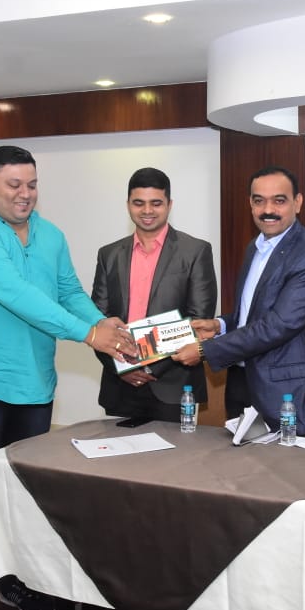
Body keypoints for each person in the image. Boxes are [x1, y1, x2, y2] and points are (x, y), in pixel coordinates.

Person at [0, 145, 136, 610]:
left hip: (35, 384)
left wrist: (102, 323)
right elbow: (19, 296)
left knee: (22, 490)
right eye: (13, 185)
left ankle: (14, 579)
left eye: (31, 184)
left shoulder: (49, 234)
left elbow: (67, 291)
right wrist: (89, 335)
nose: (24, 194)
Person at [175, 166, 305, 434]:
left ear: (297, 202)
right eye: (259, 201)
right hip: (243, 385)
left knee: (289, 464)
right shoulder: (256, 247)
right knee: (238, 462)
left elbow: (277, 325)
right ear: (250, 203)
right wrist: (220, 325)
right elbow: (252, 314)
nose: (267, 210)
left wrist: (205, 350)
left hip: (288, 395)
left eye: (279, 200)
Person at [91, 167, 217, 421]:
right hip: (120, 384)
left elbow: (197, 320)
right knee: (119, 448)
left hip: (174, 384)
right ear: (128, 205)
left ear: (169, 204)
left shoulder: (195, 251)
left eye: (156, 203)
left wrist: (145, 366)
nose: (147, 211)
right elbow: (97, 318)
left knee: (174, 449)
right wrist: (121, 367)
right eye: (139, 203)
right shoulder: (109, 254)